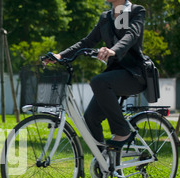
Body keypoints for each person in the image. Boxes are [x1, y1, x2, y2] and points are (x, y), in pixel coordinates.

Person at [46, 0, 147, 149]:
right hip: (114, 75)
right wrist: (61, 55)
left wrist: (113, 50)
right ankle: (103, 160)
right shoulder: (106, 17)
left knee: (98, 81)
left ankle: (122, 131)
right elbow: (87, 42)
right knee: (91, 118)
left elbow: (131, 35)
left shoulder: (135, 11)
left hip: (134, 74)